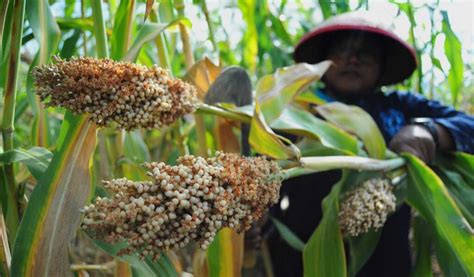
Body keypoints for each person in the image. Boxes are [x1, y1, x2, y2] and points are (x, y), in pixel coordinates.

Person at [246, 11, 474, 277]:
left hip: (384, 256)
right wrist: (258, 222)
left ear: (381, 66)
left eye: (366, 54)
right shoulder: (293, 111)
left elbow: (468, 124)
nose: (352, 60)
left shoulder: (398, 107)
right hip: (303, 253)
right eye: (342, 52)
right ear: (324, 61)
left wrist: (430, 131)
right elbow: (263, 177)